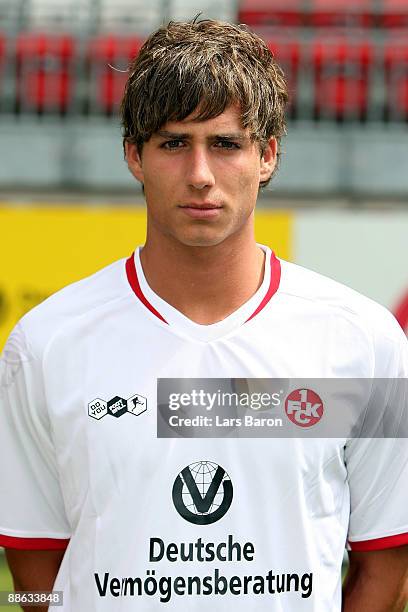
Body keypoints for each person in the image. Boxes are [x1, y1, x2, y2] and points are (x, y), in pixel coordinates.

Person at [0, 17, 407, 612]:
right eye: (172, 144)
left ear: (266, 155)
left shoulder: (364, 341)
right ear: (133, 156)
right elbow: (34, 566)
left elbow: (386, 563)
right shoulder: (46, 343)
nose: (199, 175)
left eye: (225, 143)